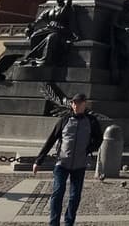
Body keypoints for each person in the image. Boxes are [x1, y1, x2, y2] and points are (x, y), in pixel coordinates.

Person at [33, 93, 103, 226]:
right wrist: (38, 160)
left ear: (84, 104)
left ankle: (69, 222)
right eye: (74, 103)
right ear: (71, 104)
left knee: (74, 197)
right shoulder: (64, 120)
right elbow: (51, 139)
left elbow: (99, 138)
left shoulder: (91, 121)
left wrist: (88, 149)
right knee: (57, 193)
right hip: (62, 163)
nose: (76, 105)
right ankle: (54, 223)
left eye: (79, 103)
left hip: (79, 165)